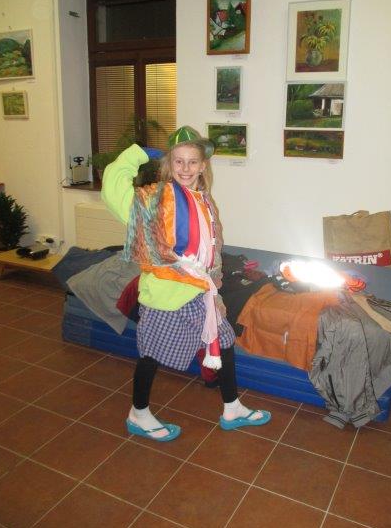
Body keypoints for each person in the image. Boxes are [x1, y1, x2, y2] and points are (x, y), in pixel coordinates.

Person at [101, 126, 271, 441]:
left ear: (203, 165)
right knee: (151, 354)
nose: (185, 168)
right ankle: (138, 413)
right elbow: (113, 189)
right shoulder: (157, 199)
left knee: (224, 342)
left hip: (199, 294)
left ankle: (232, 407)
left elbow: (211, 249)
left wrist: (215, 289)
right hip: (165, 294)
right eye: (178, 161)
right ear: (169, 164)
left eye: (192, 162)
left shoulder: (204, 200)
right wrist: (137, 154)